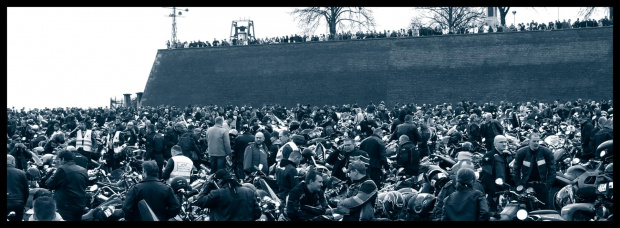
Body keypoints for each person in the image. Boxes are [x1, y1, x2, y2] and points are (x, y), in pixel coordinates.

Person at [193, 169, 261, 221]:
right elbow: (257, 214)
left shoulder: (217, 193)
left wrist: (208, 184)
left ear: (219, 181)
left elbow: (199, 200)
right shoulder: (249, 192)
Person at [513, 132, 557, 209]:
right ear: (529, 141)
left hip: (542, 185)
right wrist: (519, 185)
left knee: (545, 209)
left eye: (537, 141)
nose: (536, 143)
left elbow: (552, 170)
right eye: (534, 141)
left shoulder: (546, 152)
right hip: (526, 185)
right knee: (525, 209)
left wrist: (547, 186)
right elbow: (516, 170)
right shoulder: (521, 152)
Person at [44, 149, 89, 221]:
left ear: (63, 159)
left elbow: (49, 184)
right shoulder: (83, 170)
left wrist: (53, 171)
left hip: (66, 206)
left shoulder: (62, 169)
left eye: (58, 159)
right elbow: (86, 184)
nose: (57, 161)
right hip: (80, 204)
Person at [479, 135, 513, 213]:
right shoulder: (489, 156)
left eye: (505, 142)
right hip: (494, 191)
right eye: (501, 142)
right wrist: (494, 191)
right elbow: (487, 175)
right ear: (495, 144)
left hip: (503, 190)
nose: (504, 144)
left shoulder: (505, 156)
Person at [7, 154, 30, 222]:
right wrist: (23, 203)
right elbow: (26, 191)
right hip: (17, 203)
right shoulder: (21, 173)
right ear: (13, 162)